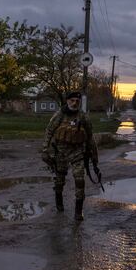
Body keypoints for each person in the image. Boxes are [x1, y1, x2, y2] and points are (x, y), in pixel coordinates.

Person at [41, 91, 98, 221]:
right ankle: (59, 204)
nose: (74, 103)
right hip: (60, 152)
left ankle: (78, 212)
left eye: (77, 101)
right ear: (67, 101)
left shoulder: (83, 117)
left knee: (80, 180)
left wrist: (94, 154)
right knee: (60, 179)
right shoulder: (59, 115)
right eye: (72, 100)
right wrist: (45, 150)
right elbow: (49, 131)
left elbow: (90, 137)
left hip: (77, 152)